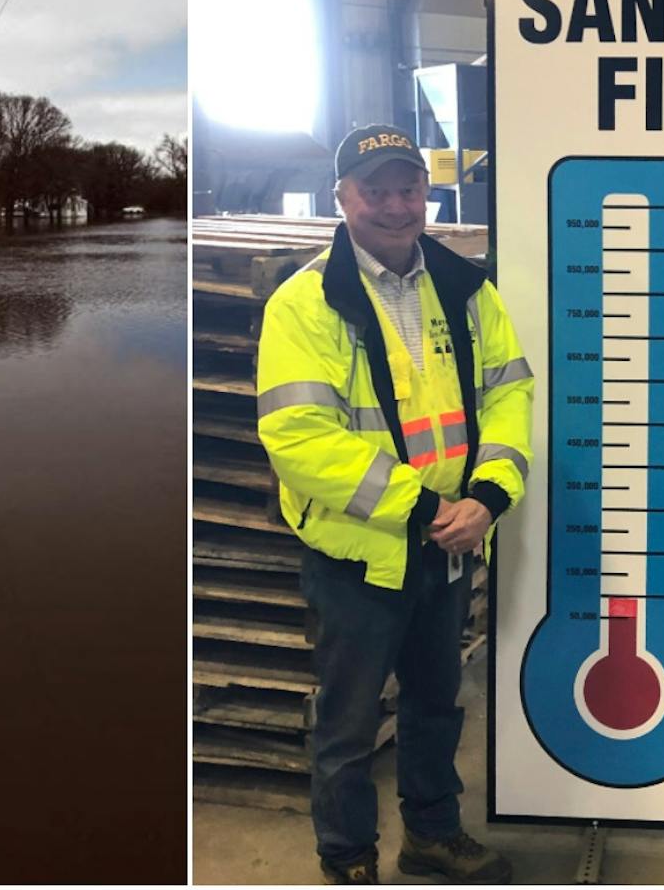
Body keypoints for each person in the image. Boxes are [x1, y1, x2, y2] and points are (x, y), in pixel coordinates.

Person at [256, 123, 535, 885]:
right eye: (373, 189)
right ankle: (347, 862)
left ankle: (432, 836)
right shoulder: (304, 304)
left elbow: (510, 392)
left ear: (426, 193)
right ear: (342, 198)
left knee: (436, 705)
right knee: (347, 726)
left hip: (449, 541)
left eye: (406, 187)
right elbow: (299, 438)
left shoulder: (465, 287)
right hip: (359, 555)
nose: (394, 204)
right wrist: (423, 508)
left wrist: (486, 495)